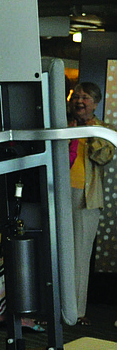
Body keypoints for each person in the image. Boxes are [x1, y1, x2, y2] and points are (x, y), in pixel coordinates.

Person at [67, 81, 116, 326]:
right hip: (58, 194)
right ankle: (53, 308)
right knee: (56, 252)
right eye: (76, 96)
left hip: (85, 199)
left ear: (95, 103)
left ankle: (76, 311)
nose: (79, 101)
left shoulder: (103, 131)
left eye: (85, 97)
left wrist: (88, 130)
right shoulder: (63, 125)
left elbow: (104, 156)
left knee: (79, 256)